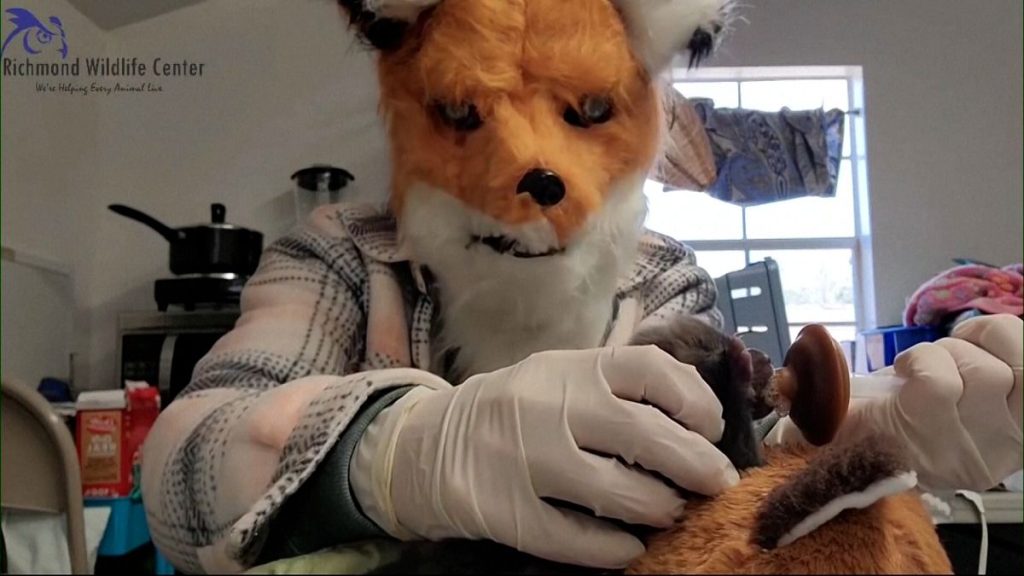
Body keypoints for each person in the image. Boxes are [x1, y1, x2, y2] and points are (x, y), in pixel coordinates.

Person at [141, 0, 1023, 573]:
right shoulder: (340, 255)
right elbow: (180, 478)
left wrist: (874, 436)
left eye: (589, 111)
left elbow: (741, 467)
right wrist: (401, 452)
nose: (530, 167)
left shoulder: (665, 276)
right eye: (463, 114)